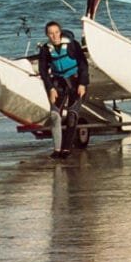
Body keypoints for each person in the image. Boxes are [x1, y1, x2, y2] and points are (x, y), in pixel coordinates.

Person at [37, 21, 89, 159]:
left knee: (72, 115)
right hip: (58, 83)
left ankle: (66, 149)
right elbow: (43, 71)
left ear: (60, 32)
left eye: (56, 33)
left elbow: (84, 65)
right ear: (47, 35)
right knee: (54, 115)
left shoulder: (72, 45)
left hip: (76, 82)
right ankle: (57, 149)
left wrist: (82, 84)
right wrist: (50, 88)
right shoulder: (45, 49)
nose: (54, 36)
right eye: (50, 34)